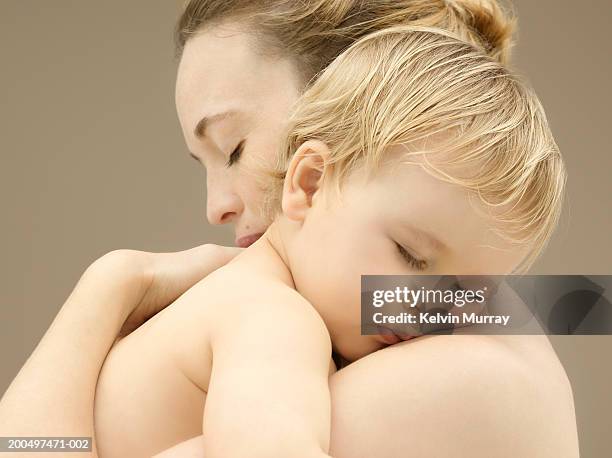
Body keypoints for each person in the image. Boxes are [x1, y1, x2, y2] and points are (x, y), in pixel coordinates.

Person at [0, 1, 579, 457]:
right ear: (310, 177)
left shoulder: (267, 309)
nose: (437, 308)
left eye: (233, 148)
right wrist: (113, 282)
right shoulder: (275, 319)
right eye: (412, 256)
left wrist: (111, 284)